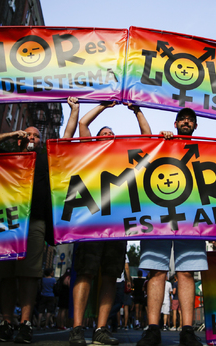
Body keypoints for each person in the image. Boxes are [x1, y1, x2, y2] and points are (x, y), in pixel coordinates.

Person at [0, 97, 80, 344]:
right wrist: (13, 133)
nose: (32, 137)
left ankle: (25, 324)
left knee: (29, 275)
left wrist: (74, 110)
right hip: (7, 223)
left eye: (36, 135)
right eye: (28, 134)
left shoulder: (46, 158)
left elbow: (67, 137)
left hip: (35, 221)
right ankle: (6, 322)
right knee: (6, 275)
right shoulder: (9, 155)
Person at [137, 107, 216, 346]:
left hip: (190, 216)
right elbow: (144, 146)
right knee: (156, 271)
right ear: (176, 123)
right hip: (159, 213)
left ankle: (187, 330)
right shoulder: (162, 143)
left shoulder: (201, 147)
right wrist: (156, 134)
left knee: (187, 272)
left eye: (190, 120)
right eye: (183, 119)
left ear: (195, 126)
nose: (186, 122)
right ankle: (153, 329)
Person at [69, 101, 151, 346]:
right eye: (104, 133)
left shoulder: (124, 156)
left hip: (117, 223)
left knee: (109, 275)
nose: (108, 135)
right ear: (96, 138)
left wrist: (137, 110)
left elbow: (147, 137)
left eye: (111, 133)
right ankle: (77, 329)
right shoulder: (91, 152)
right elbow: (83, 124)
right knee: (86, 272)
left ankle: (101, 329)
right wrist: (104, 106)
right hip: (90, 220)